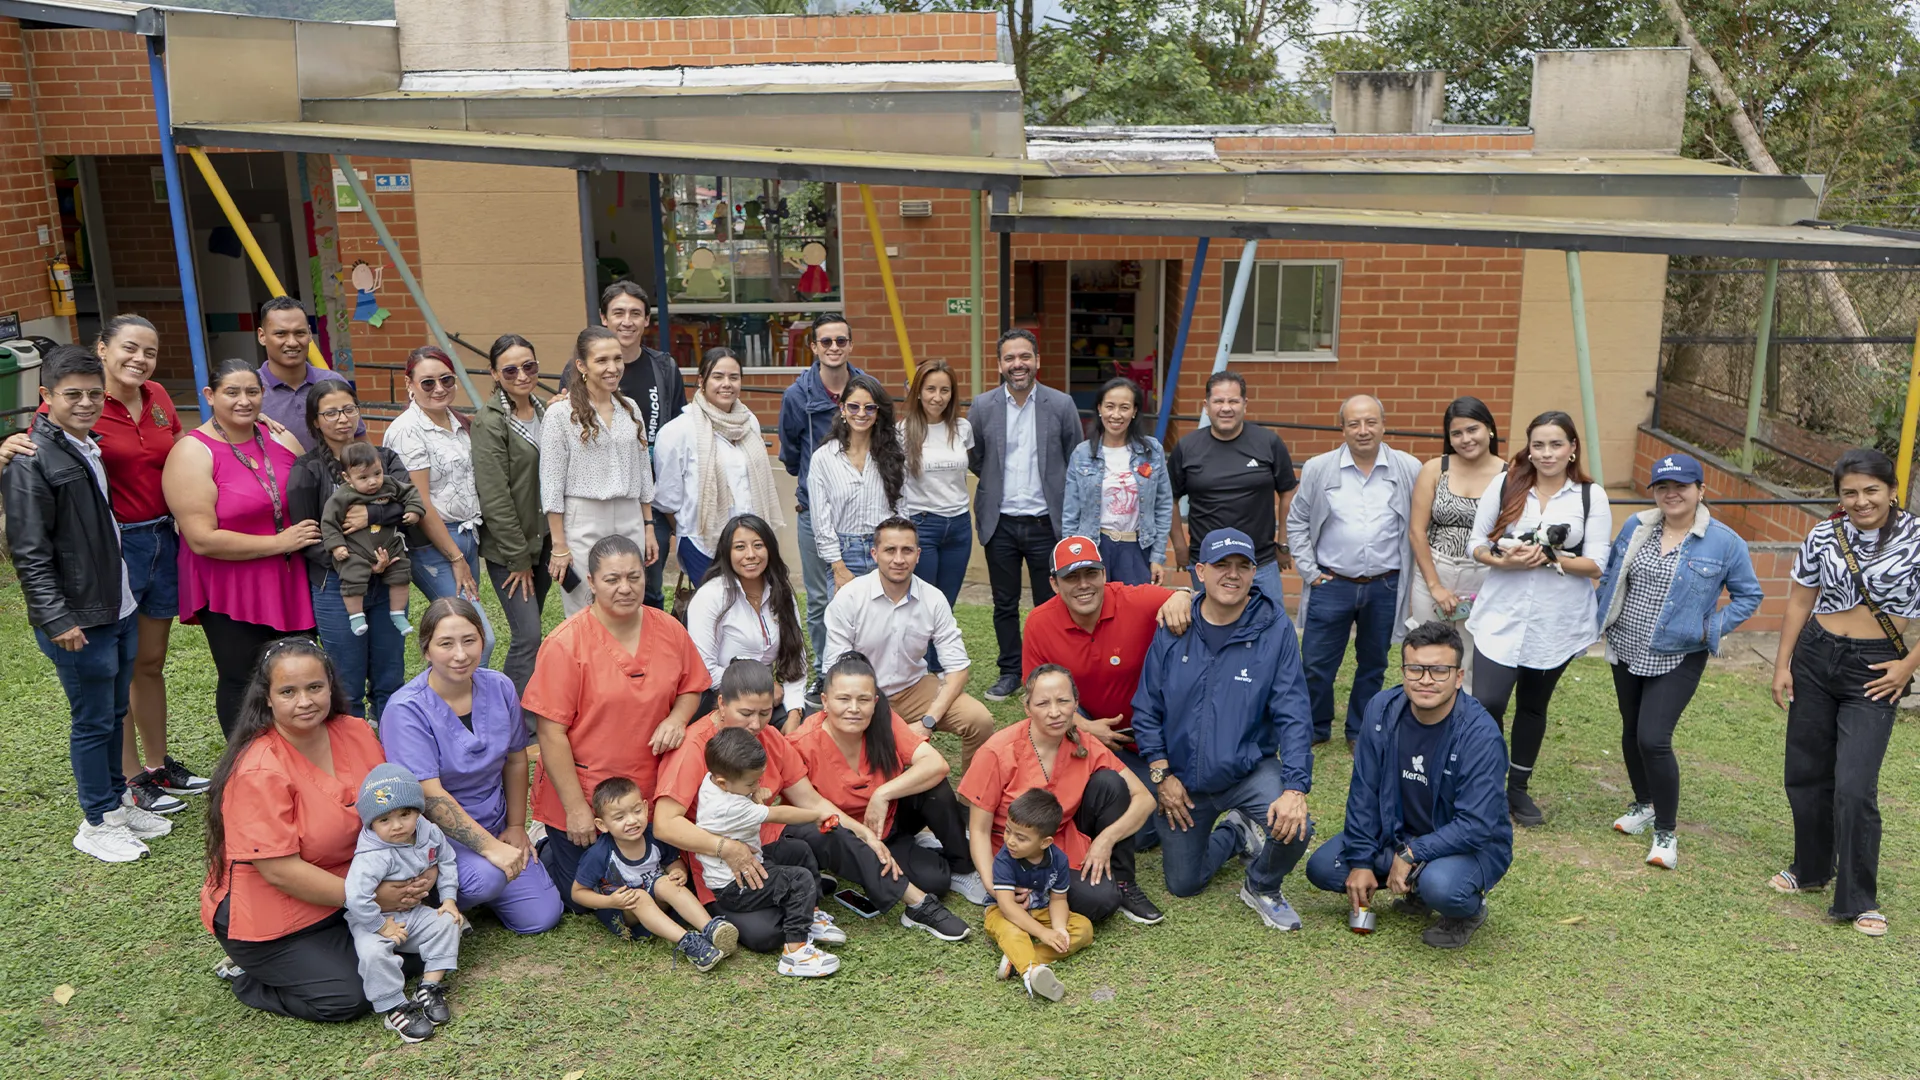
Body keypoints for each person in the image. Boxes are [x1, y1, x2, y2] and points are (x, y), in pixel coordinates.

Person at [0, 316, 207, 814]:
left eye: (150, 351)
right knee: (115, 670)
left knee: (148, 662)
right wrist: (3, 450)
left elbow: (185, 448)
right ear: (103, 349)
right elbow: (36, 463)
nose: (140, 359)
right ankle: (129, 778)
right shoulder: (79, 409)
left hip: (161, 538)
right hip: (110, 550)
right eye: (129, 348)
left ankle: (156, 765)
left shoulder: (155, 397)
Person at [201, 638, 438, 1022]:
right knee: (352, 994)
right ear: (268, 698)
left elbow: (392, 807)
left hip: (350, 890)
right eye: (288, 692)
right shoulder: (259, 769)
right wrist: (373, 898)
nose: (305, 701)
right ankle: (249, 976)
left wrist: (419, 872)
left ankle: (341, 948)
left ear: (330, 685)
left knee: (434, 941)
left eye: (314, 687)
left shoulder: (356, 731)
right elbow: (279, 870)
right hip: (276, 916)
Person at [1130, 528, 1315, 931]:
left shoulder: (1274, 628)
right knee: (1183, 884)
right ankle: (1235, 834)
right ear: (1200, 571)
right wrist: (1162, 775)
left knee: (1296, 825)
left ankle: (1262, 885)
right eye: (1221, 565)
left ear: (1254, 573)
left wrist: (1295, 788)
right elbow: (1146, 709)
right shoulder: (1174, 626)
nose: (1232, 575)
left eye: (1242, 566)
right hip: (1182, 782)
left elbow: (1294, 713)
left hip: (1248, 771)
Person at [1770, 448, 1920, 937]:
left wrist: (1906, 668)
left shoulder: (1916, 539)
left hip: (1877, 668)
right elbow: (1799, 600)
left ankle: (1859, 898)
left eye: (1871, 490)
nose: (1860, 501)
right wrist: (1783, 664)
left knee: (1855, 785)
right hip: (1816, 657)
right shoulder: (1823, 535)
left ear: (1892, 490)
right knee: (1806, 772)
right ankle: (1811, 868)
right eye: (1849, 492)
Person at [1596, 453, 1762, 869]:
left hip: (1678, 652)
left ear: (1700, 491)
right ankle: (1644, 803)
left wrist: (1711, 628)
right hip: (1627, 643)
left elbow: (1749, 595)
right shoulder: (1638, 526)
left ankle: (1665, 833)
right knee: (1631, 731)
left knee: (1653, 738)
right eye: (1663, 487)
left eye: (1681, 487)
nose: (1672, 494)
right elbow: (1612, 574)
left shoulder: (1723, 541)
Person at [1303, 621, 1514, 949]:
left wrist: (1414, 852)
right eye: (1416, 669)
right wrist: (1361, 862)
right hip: (1397, 834)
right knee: (1324, 868)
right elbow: (1364, 793)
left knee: (1443, 887)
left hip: (1466, 845)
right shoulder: (1382, 711)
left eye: (1439, 670)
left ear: (1459, 677)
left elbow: (1476, 825)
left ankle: (1464, 910)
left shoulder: (1479, 734)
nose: (1426, 680)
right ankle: (1415, 886)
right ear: (1403, 671)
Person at [524, 534, 707, 894]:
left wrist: (676, 718)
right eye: (612, 580)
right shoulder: (565, 644)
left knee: (665, 881)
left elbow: (693, 686)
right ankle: (545, 841)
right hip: (589, 792)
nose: (625, 588)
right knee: (587, 893)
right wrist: (577, 809)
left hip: (652, 790)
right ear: (591, 582)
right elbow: (550, 733)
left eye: (634, 577)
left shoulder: (669, 629)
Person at [380, 598, 564, 936]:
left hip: (496, 824)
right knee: (489, 877)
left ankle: (479, 888)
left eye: (469, 640)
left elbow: (515, 757)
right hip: (437, 839)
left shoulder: (500, 686)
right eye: (446, 644)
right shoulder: (405, 710)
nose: (461, 654)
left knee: (541, 916)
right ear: (426, 651)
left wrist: (515, 826)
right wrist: (492, 849)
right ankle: (435, 895)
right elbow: (429, 795)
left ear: (483, 640)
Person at [1465, 410, 1612, 828]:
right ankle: (1485, 786)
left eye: (1556, 444)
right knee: (1488, 702)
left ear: (1572, 449)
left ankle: (1518, 790)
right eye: (1538, 444)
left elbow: (1598, 563)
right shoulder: (1507, 483)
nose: (1546, 453)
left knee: (1533, 706)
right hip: (1501, 614)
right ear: (1529, 447)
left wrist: (1551, 557)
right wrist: (1503, 557)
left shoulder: (1590, 496)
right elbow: (1477, 544)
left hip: (1557, 621)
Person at [651, 660, 851, 954]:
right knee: (766, 935)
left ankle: (807, 904)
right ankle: (798, 916)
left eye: (765, 713)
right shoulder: (694, 747)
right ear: (721, 704)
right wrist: (724, 847)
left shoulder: (763, 737)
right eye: (746, 713)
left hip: (756, 846)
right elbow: (664, 824)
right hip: (717, 868)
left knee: (801, 851)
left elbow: (801, 795)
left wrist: (860, 831)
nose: (756, 724)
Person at [163, 358, 316, 738]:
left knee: (297, 671)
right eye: (231, 392)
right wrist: (278, 542)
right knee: (243, 678)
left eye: (252, 391)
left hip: (289, 575)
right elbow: (200, 537)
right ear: (210, 395)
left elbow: (312, 491)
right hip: (231, 580)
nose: (243, 401)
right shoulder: (192, 452)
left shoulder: (281, 437)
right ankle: (245, 763)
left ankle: (296, 752)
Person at [786, 652, 981, 933]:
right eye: (843, 699)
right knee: (936, 881)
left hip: (889, 820)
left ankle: (962, 864)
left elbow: (937, 764)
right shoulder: (802, 743)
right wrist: (866, 834)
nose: (854, 708)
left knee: (933, 785)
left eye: (863, 700)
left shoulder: (883, 723)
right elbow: (813, 807)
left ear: (875, 703)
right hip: (851, 834)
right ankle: (923, 851)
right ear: (825, 702)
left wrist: (883, 794)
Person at [1021, 535, 1192, 851]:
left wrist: (1182, 594)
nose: (1083, 584)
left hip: (1149, 735)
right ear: (1055, 584)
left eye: (1091, 574)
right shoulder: (1039, 622)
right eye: (1071, 577)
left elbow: (1193, 597)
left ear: (1104, 575)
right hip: (1086, 729)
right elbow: (1034, 696)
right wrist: (1084, 727)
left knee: (1142, 834)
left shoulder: (1134, 600)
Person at [961, 665, 1158, 925]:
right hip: (1019, 852)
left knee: (1110, 783)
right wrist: (994, 886)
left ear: (1076, 704)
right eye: (1042, 703)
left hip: (1065, 837)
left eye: (1063, 701)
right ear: (1027, 707)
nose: (1055, 712)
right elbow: (979, 830)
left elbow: (1145, 798)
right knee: (1101, 901)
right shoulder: (998, 751)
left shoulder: (1082, 741)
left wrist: (1105, 840)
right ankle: (1036, 894)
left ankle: (1123, 881)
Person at [1287, 395, 1420, 745]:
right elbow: (1297, 520)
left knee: (1373, 664)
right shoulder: (1319, 467)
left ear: (1383, 424)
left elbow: (1420, 524)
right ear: (1342, 428)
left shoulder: (1407, 468)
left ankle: (1359, 730)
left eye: (1370, 422)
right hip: (1332, 582)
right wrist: (1309, 570)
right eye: (1354, 423)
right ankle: (1315, 728)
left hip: (1386, 585)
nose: (1363, 431)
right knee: (1316, 664)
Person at [288, 383, 424, 720]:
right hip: (337, 585)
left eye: (349, 409)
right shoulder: (308, 470)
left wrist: (374, 514)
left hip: (389, 576)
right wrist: (355, 563)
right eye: (330, 413)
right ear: (315, 421)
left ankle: (392, 746)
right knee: (345, 683)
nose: (342, 419)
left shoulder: (384, 458)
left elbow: (408, 510)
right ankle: (353, 757)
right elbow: (308, 535)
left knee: (390, 676)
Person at [822, 517, 996, 771]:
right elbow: (834, 669)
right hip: (863, 692)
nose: (899, 559)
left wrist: (928, 720)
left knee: (979, 720)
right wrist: (865, 704)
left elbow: (958, 668)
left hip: (914, 688)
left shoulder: (933, 599)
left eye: (907, 550)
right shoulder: (849, 597)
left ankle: (972, 800)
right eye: (890, 550)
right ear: (875, 553)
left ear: (918, 554)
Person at [969, 329, 1084, 702]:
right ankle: (1010, 671)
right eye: (1009, 358)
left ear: (1037, 360)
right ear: (1000, 364)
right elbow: (976, 458)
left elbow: (1074, 456)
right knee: (1003, 602)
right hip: (1000, 521)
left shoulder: (1061, 404)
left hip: (1045, 523)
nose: (1017, 365)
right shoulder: (983, 406)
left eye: (1024, 357)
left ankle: (1048, 672)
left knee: (1049, 604)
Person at [696, 726, 843, 977]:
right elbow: (778, 813)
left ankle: (812, 915)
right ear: (724, 782)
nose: (758, 785)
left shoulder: (714, 781)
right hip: (734, 887)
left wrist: (752, 791)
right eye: (752, 782)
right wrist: (817, 814)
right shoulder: (728, 806)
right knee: (799, 879)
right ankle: (795, 953)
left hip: (750, 863)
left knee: (798, 850)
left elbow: (746, 793)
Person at [383, 345, 495, 663]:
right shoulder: (407, 432)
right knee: (477, 639)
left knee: (461, 633)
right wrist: (455, 556)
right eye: (428, 383)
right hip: (434, 543)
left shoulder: (457, 422)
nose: (439, 389)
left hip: (466, 534)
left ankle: (462, 707)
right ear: (409, 385)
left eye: (446, 379)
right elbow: (420, 504)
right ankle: (451, 709)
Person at [542, 327, 658, 618]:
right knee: (584, 603)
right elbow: (551, 482)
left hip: (630, 515)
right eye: (602, 360)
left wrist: (649, 527)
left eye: (617, 359)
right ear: (582, 365)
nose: (612, 368)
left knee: (629, 599)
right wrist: (559, 546)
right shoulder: (559, 414)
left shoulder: (629, 408)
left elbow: (644, 472)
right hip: (584, 518)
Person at [345, 763, 462, 1044]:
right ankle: (393, 1006)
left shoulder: (428, 831)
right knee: (374, 954)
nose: (397, 826)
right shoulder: (372, 855)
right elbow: (355, 897)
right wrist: (380, 925)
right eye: (385, 820)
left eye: (405, 814)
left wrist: (448, 899)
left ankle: (430, 986)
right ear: (371, 823)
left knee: (448, 921)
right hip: (372, 919)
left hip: (412, 912)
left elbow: (446, 860)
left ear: (418, 811)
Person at [780, 313, 867, 683]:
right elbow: (790, 455)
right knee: (819, 598)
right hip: (813, 513)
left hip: (861, 514)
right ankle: (825, 671)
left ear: (850, 344)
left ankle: (863, 668)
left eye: (841, 341)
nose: (834, 348)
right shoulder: (798, 395)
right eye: (826, 342)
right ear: (813, 347)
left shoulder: (868, 388)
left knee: (863, 596)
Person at [570, 776, 734, 971]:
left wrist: (678, 871)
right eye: (619, 817)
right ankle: (688, 942)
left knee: (666, 882)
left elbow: (673, 862)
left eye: (637, 811)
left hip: (655, 899)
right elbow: (577, 892)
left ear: (646, 808)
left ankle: (711, 928)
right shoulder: (599, 854)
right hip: (624, 910)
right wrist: (610, 902)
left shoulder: (652, 835)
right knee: (638, 896)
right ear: (602, 825)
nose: (631, 821)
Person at [1168, 370, 1297, 602]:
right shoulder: (1187, 448)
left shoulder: (1268, 443)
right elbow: (1170, 499)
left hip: (1260, 562)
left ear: (1245, 404)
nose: (1226, 408)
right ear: (1206, 406)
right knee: (1213, 630)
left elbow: (1287, 491)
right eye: (1218, 401)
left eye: (1233, 401)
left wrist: (1284, 542)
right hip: (1208, 562)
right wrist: (1179, 546)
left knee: (1268, 630)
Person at [654, 347, 781, 584]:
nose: (727, 384)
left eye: (734, 377)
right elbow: (668, 500)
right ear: (701, 381)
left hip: (751, 545)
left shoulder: (748, 420)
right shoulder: (678, 431)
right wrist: (695, 532)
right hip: (703, 544)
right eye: (718, 376)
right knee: (715, 613)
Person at [1407, 397, 1505, 694]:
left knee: (1469, 656)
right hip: (1435, 569)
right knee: (1426, 652)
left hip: (1483, 575)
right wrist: (1435, 586)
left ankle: (1463, 729)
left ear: (1489, 429)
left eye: (1472, 429)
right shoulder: (1436, 469)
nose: (1465, 439)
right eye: (1456, 433)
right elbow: (1416, 531)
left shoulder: (1510, 474)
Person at [471, 333, 551, 696]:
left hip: (547, 541)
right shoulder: (490, 422)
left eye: (529, 366)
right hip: (511, 551)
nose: (522, 375)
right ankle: (510, 714)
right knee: (528, 635)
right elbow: (495, 497)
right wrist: (517, 558)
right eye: (510, 369)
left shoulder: (547, 411)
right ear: (494, 373)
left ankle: (535, 708)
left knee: (540, 633)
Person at [604, 281, 686, 610]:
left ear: (646, 321)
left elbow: (681, 433)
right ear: (604, 318)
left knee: (649, 588)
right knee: (606, 585)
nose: (627, 321)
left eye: (635, 313)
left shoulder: (664, 368)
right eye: (618, 313)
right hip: (604, 498)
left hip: (653, 500)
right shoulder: (582, 368)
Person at [685, 514, 809, 731]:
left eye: (758, 545)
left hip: (766, 701)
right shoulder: (711, 596)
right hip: (720, 697)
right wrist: (761, 686)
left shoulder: (782, 594)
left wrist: (795, 713)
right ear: (727, 553)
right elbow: (704, 669)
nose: (750, 555)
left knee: (803, 737)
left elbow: (795, 662)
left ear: (769, 549)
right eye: (740, 547)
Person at [1063, 378, 1172, 586]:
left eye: (1124, 407)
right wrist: (1072, 554)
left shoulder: (1152, 451)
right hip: (1094, 547)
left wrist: (1157, 556)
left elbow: (1163, 505)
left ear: (1134, 411)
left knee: (1135, 613)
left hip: (1137, 548)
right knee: (1095, 612)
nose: (1116, 415)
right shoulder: (1082, 453)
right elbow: (1070, 512)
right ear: (1099, 409)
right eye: (1110, 406)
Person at [987, 790, 1093, 1002]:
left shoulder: (1059, 860)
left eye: (1021, 838)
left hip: (1041, 909)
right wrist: (1044, 933)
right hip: (1003, 911)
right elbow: (1007, 906)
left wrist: (1059, 928)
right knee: (1011, 931)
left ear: (1045, 842)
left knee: (1083, 929)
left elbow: (1059, 899)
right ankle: (1030, 972)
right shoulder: (1004, 859)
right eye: (1008, 831)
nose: (1011, 842)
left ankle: (1017, 960)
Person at [808, 373, 905, 596]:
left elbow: (903, 508)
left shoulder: (894, 454)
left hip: (886, 549)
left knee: (887, 626)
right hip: (844, 553)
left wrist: (897, 552)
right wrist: (838, 565)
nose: (861, 413)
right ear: (842, 409)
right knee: (846, 627)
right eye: (854, 407)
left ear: (878, 412)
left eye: (869, 408)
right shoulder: (824, 458)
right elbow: (821, 521)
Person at [319, 441, 422, 639]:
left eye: (377, 473)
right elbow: (329, 523)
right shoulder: (342, 497)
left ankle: (398, 613)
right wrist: (337, 545)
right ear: (347, 478)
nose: (373, 481)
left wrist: (414, 510)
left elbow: (410, 492)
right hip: (356, 550)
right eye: (363, 477)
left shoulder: (390, 484)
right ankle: (356, 615)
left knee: (401, 572)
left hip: (389, 546)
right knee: (352, 576)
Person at [898, 358, 975, 608]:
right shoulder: (902, 431)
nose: (937, 397)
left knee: (946, 605)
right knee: (922, 605)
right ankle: (924, 650)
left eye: (945, 390)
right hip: (922, 525)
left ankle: (942, 649)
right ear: (918, 391)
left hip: (959, 526)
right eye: (931, 389)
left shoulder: (963, 428)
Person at [256, 296, 356, 452]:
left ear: (310, 333)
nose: (292, 342)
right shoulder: (248, 391)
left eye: (300, 333)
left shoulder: (333, 382)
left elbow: (360, 442)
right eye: (281, 334)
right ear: (262, 336)